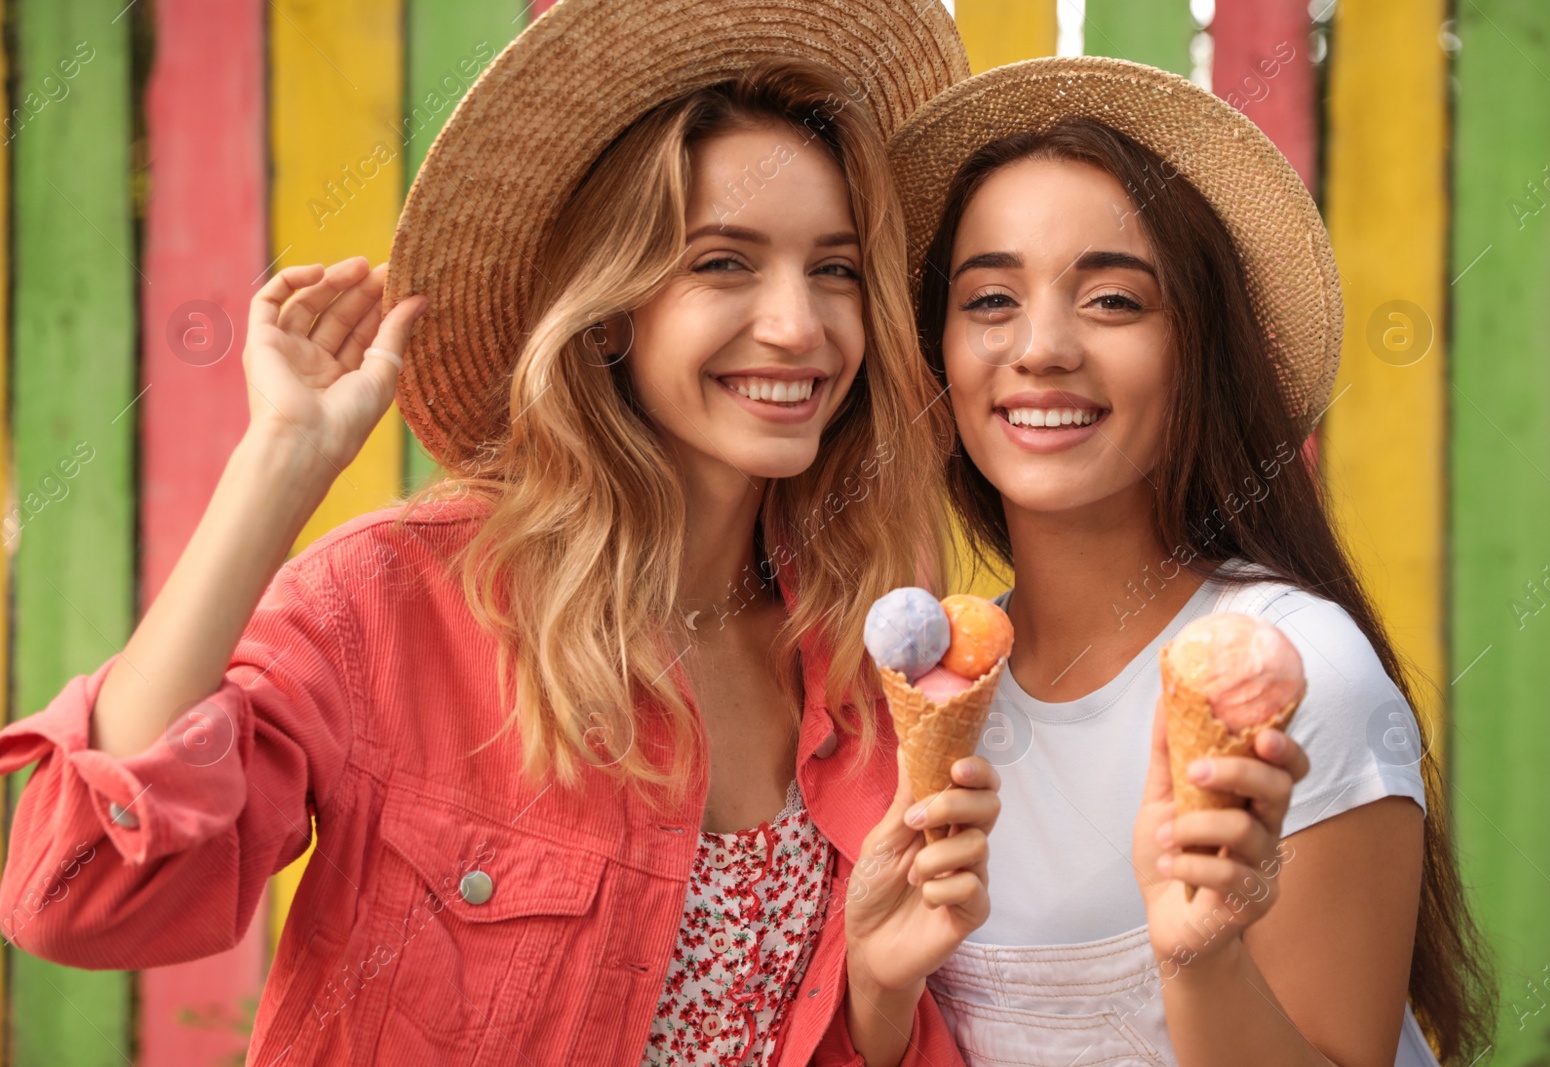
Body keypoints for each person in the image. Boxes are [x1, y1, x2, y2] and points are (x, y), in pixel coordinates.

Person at [0, 3, 996, 1064]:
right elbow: (81, 895)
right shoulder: (392, 602)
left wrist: (884, 993)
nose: (798, 324)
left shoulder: (858, 654)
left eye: (834, 269)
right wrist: (277, 463)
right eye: (722, 263)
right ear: (610, 306)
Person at [887, 56, 1493, 1066]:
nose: (1040, 347)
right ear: (935, 352)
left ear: (1194, 351)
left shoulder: (1295, 676)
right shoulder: (935, 695)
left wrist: (1202, 959)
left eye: (1114, 301)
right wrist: (874, 983)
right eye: (989, 298)